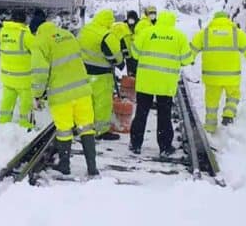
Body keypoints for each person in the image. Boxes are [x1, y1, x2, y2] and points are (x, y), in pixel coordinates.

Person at [31, 21, 99, 176]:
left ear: (36, 31)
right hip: (82, 90)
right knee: (86, 128)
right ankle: (92, 167)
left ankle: (64, 165)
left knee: (64, 130)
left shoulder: (39, 42)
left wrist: (37, 95)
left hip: (61, 95)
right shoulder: (67, 34)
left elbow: (40, 73)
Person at [130, 10, 193, 156]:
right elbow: (187, 59)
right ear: (172, 21)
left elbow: (135, 53)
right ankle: (164, 147)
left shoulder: (146, 32)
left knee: (141, 112)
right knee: (164, 115)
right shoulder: (179, 36)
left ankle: (136, 144)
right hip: (166, 83)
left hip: (146, 81)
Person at [189, 11, 246, 133]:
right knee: (233, 96)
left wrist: (188, 60)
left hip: (211, 77)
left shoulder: (204, 33)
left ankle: (210, 127)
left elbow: (192, 49)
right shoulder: (236, 33)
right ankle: (228, 114)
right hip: (231, 76)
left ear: (214, 19)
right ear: (228, 19)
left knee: (211, 103)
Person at [77, 10, 123, 141]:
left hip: (84, 71)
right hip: (101, 74)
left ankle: (84, 128)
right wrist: (120, 63)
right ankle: (101, 131)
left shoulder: (86, 29)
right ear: (109, 22)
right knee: (102, 103)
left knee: (86, 101)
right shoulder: (107, 35)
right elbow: (115, 56)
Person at [0, 10, 35, 129]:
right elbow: (37, 51)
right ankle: (25, 123)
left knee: (7, 100)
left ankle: (3, 120)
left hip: (7, 77)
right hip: (24, 79)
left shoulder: (0, 32)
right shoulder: (26, 35)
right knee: (26, 103)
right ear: (24, 20)